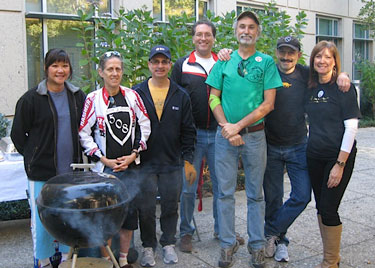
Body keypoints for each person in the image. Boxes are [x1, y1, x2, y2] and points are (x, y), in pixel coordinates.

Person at [217, 36, 351, 263]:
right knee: (273, 198)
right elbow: (242, 76)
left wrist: (343, 75)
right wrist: (224, 54)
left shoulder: (306, 75)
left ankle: (271, 232)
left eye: (291, 52)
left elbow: (327, 72)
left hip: (299, 146)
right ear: (277, 52)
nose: (286, 56)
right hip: (270, 145)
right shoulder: (267, 71)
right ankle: (280, 242)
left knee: (301, 196)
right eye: (282, 51)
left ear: (298, 55)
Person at [206, 11, 283, 268]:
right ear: (235, 31)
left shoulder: (267, 62)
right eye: (242, 26)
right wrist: (226, 127)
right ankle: (228, 245)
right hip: (224, 137)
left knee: (255, 195)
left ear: (257, 32)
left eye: (251, 27)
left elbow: (268, 104)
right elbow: (213, 97)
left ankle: (257, 246)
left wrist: (237, 126)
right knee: (224, 193)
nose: (246, 31)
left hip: (254, 137)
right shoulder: (223, 61)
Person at [171, 20, 245, 253]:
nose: (203, 38)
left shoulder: (222, 61)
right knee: (188, 188)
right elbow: (174, 99)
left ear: (214, 38)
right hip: (191, 138)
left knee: (223, 186)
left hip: (219, 134)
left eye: (208, 35)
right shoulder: (182, 65)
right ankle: (185, 232)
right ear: (193, 38)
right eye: (199, 35)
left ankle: (223, 230)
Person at [11, 48, 86, 268]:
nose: (60, 70)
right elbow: (18, 134)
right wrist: (33, 156)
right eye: (55, 65)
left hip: (70, 172)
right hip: (41, 172)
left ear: (70, 69)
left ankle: (64, 258)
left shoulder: (76, 96)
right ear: (46, 68)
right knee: (42, 219)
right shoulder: (31, 99)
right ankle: (42, 260)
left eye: (64, 65)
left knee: (67, 216)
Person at [79, 51, 151, 268]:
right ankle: (106, 261)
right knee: (105, 217)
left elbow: (144, 125)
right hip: (105, 170)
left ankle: (123, 259)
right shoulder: (93, 99)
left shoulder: (132, 96)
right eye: (110, 69)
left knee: (128, 215)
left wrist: (134, 153)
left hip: (130, 168)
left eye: (118, 68)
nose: (114, 73)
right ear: (101, 72)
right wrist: (103, 158)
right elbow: (84, 132)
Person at [133, 45, 196, 267]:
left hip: (172, 161)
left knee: (171, 205)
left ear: (170, 65)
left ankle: (168, 242)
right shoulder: (136, 93)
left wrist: (188, 160)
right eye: (155, 62)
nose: (160, 66)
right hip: (144, 163)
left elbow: (189, 130)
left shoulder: (181, 95)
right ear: (149, 64)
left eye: (164, 62)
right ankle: (148, 247)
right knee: (147, 208)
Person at [305, 41, 361, 268]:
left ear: (335, 61)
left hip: (337, 158)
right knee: (321, 207)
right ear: (313, 60)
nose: (322, 61)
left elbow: (352, 127)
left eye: (328, 57)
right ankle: (331, 258)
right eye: (319, 56)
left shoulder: (343, 88)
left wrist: (340, 164)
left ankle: (330, 262)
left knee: (329, 208)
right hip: (314, 156)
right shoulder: (309, 86)